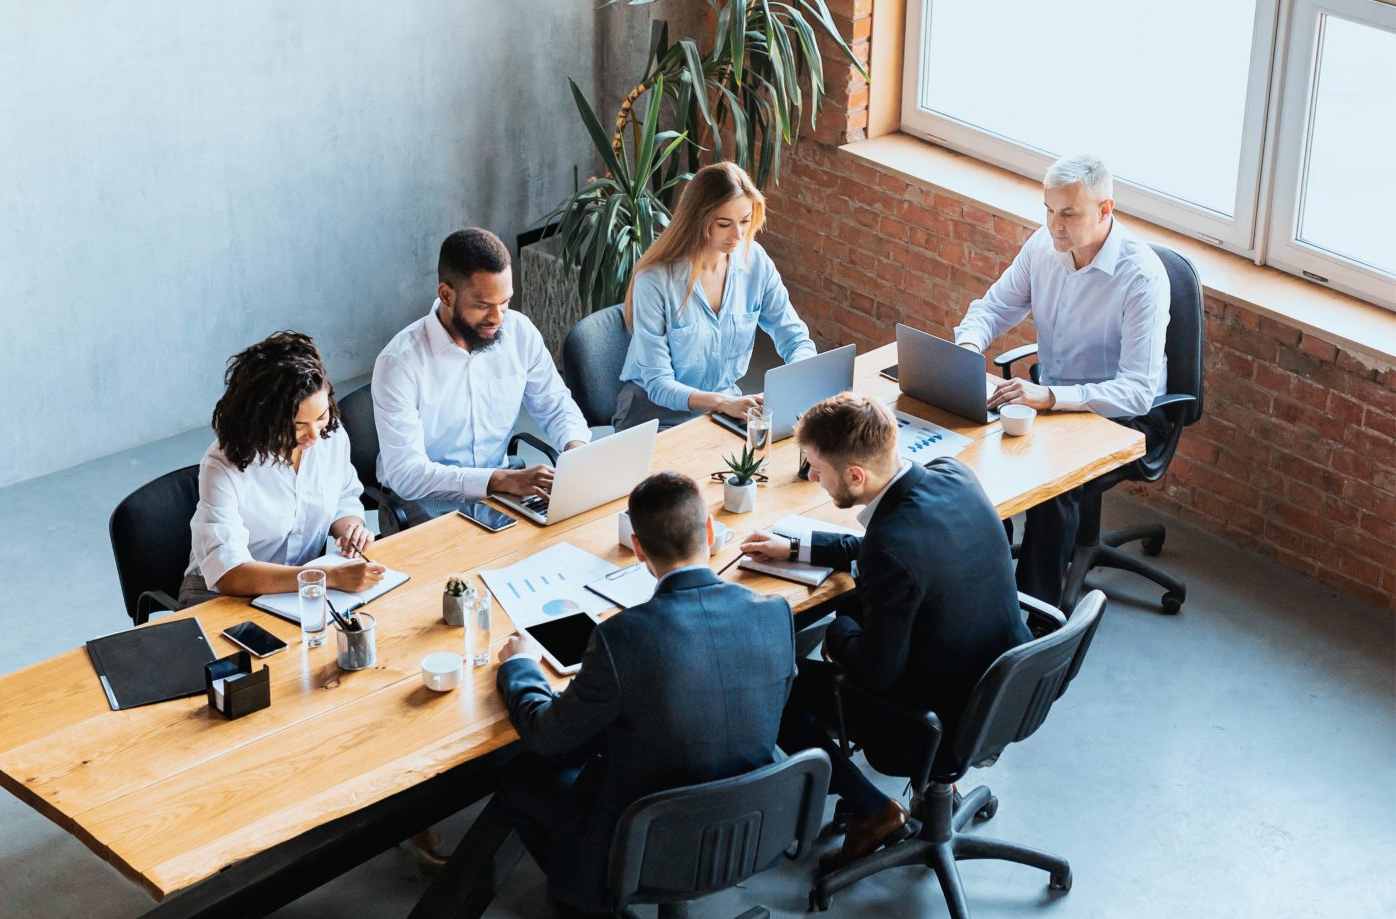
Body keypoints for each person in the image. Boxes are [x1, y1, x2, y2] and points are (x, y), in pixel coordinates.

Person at [739, 393, 1032, 870]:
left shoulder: (891, 550)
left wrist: (841, 630)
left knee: (781, 692)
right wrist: (798, 546)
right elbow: (885, 542)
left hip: (936, 721)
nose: (812, 476)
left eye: (816, 467)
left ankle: (875, 810)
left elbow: (875, 674)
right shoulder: (951, 475)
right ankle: (940, 788)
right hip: (1000, 688)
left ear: (855, 476)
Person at [487, 471, 796, 917]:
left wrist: (519, 667)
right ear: (709, 531)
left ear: (637, 549)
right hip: (753, 826)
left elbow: (549, 735)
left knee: (520, 773)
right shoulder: (774, 613)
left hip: (646, 841)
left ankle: (583, 899)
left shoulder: (623, 637)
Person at [951, 153, 1170, 608]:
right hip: (1048, 396)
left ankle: (1036, 615)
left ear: (1105, 210)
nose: (1054, 225)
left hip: (1123, 415)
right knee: (964, 452)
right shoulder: (1042, 248)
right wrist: (970, 351)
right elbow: (991, 309)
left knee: (1052, 485)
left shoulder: (1141, 277)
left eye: (1068, 213)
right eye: (1048, 210)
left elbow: (1137, 390)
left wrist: (1050, 396)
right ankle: (975, 591)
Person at [372, 228, 592, 527]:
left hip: (501, 489)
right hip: (425, 499)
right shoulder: (399, 363)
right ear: (446, 295)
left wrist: (575, 449)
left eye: (505, 303)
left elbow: (556, 405)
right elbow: (407, 475)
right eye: (483, 305)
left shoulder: (519, 332)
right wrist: (498, 480)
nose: (498, 318)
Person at [180, 331, 384, 607]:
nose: (314, 434)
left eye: (321, 417)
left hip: (299, 589)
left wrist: (350, 529)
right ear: (263, 418)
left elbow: (342, 497)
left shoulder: (330, 437)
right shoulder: (223, 465)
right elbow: (228, 572)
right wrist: (326, 576)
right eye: (298, 425)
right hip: (221, 596)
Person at [615, 162, 817, 430]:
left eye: (745, 221)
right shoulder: (655, 279)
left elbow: (796, 340)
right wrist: (721, 402)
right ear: (697, 220)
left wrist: (788, 386)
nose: (738, 235)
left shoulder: (754, 261)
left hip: (724, 407)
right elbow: (659, 384)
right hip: (655, 415)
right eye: (724, 224)